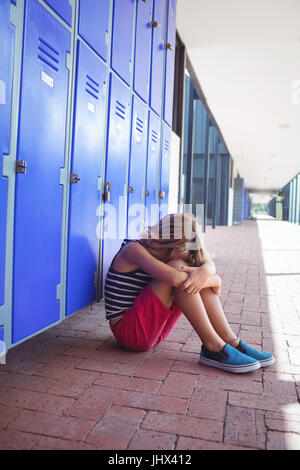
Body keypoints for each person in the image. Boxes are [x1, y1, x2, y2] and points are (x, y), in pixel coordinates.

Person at [104, 213, 274, 373]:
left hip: (155, 331)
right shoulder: (133, 250)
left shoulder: (162, 252)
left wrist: (205, 272)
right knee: (182, 271)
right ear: (164, 240)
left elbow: (207, 264)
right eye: (177, 248)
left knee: (193, 272)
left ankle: (231, 341)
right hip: (129, 332)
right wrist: (215, 280)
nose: (179, 253)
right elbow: (179, 280)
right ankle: (213, 347)